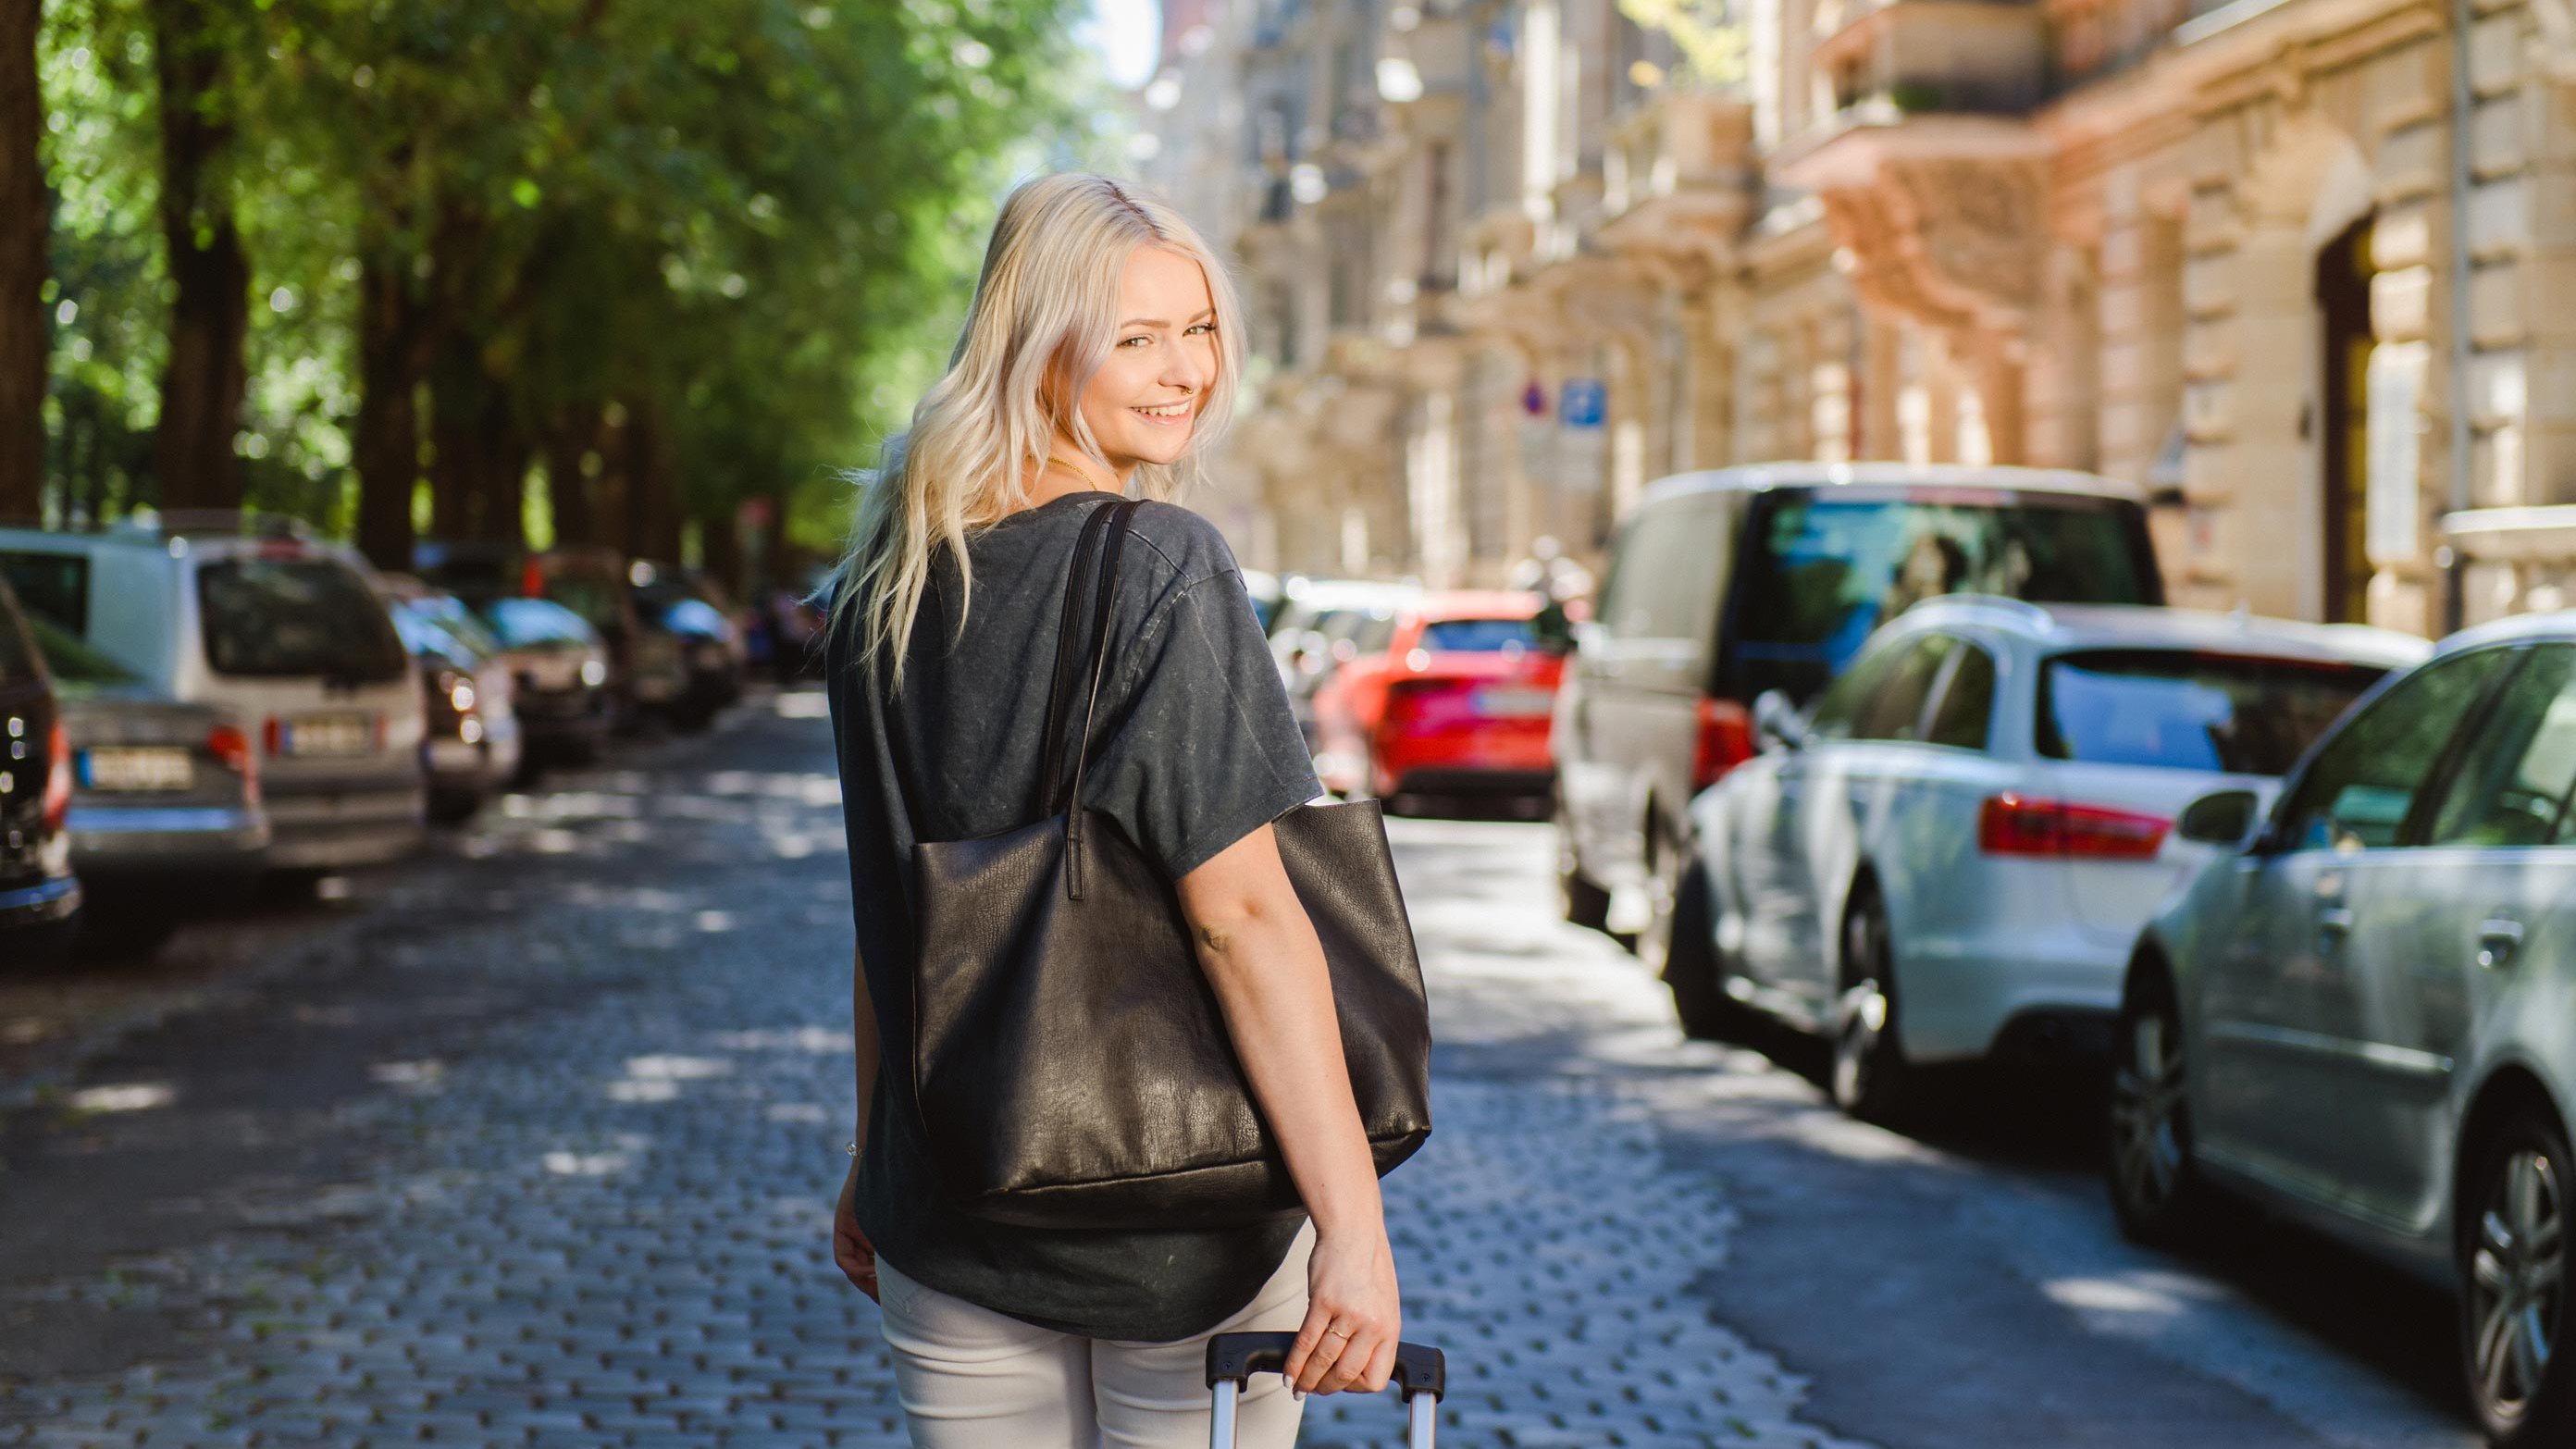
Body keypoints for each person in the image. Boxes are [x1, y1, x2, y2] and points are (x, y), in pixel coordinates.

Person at [819, 172, 1404, 1448]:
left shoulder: (888, 579)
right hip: (1177, 1232)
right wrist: (1352, 1227)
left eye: (1196, 329)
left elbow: (893, 918)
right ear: (1035, 341)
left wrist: (875, 1151)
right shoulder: (1162, 564)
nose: (1184, 369)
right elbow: (1243, 919)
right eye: (1135, 336)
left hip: (949, 1202)